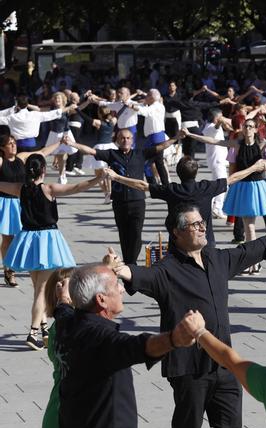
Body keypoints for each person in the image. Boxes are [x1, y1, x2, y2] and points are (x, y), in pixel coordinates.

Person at [112, 204, 266, 428]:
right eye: (194, 224)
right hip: (189, 368)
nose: (202, 227)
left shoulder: (216, 258)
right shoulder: (167, 270)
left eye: (202, 222)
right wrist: (120, 269)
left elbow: (249, 250)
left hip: (223, 363)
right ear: (177, 232)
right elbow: (141, 276)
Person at [57, 263, 202, 428]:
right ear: (101, 300)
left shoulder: (69, 324)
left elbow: (63, 310)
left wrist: (64, 298)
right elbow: (140, 346)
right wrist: (176, 338)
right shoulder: (101, 338)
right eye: (116, 285)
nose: (122, 289)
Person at [0, 155, 103, 349]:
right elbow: (76, 188)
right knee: (41, 290)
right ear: (43, 170)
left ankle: (44, 327)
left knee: (39, 288)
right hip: (47, 241)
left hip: (28, 240)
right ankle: (32, 332)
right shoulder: (48, 189)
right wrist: (98, 179)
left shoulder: (20, 189)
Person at [184, 119, 266, 272]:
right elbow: (214, 141)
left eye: (251, 126)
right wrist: (190, 134)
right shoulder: (237, 144)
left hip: (257, 188)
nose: (248, 128)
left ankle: (253, 262)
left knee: (249, 227)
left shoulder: (261, 143)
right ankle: (253, 262)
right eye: (246, 126)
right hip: (242, 187)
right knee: (248, 226)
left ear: (256, 130)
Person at [65, 129, 182, 264]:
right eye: (122, 138)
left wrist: (176, 137)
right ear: (117, 140)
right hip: (119, 202)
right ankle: (128, 262)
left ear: (132, 140)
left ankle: (131, 262)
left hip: (137, 201)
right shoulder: (111, 154)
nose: (125, 140)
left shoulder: (140, 154)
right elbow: (90, 151)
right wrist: (72, 143)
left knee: (136, 234)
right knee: (123, 234)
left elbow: (161, 147)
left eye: (128, 138)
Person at [103, 156, 266, 248]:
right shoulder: (206, 187)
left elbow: (142, 185)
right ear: (196, 172)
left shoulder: (172, 190)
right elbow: (232, 179)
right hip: (205, 242)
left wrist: (117, 177)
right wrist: (254, 167)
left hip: (179, 244)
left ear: (178, 173)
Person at [0, 134, 60, 288]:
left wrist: (60, 142)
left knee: (21, 236)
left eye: (14, 143)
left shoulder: (21, 158)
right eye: (9, 144)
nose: (13, 146)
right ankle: (9, 270)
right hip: (5, 203)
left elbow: (42, 153)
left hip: (20, 202)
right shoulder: (1, 161)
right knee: (8, 238)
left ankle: (21, 263)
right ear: (2, 148)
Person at [40, 266, 76, 428]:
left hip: (71, 418)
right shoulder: (61, 328)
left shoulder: (78, 324)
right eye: (59, 286)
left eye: (69, 284)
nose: (63, 289)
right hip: (61, 420)